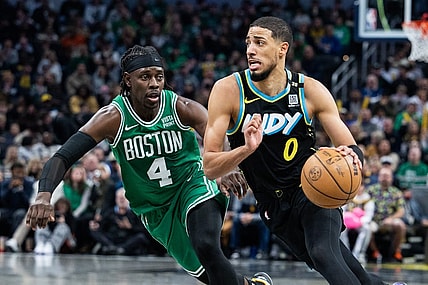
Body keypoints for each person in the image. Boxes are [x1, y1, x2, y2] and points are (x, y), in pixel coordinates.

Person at [25, 45, 272, 285]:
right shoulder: (113, 118)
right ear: (128, 80)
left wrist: (226, 167)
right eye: (145, 77)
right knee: (209, 274)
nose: (154, 83)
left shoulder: (179, 107)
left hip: (193, 184)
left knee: (207, 246)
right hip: (155, 209)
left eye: (159, 76)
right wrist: (43, 196)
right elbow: (62, 157)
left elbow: (217, 136)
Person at [203, 16, 394, 285]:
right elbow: (209, 166)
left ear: (282, 49)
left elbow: (350, 145)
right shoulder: (228, 90)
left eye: (259, 43)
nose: (250, 50)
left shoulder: (310, 90)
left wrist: (353, 158)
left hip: (313, 186)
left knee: (323, 253)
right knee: (345, 267)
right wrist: (245, 149)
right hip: (273, 205)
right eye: (248, 43)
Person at [366, 167, 407, 263]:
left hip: (389, 221)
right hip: (374, 220)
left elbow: (401, 211)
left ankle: (396, 252)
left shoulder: (396, 192)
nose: (384, 178)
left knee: (400, 225)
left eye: (387, 176)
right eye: (382, 175)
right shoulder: (370, 190)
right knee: (367, 226)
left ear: (392, 178)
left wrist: (390, 219)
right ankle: (375, 251)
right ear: (378, 177)